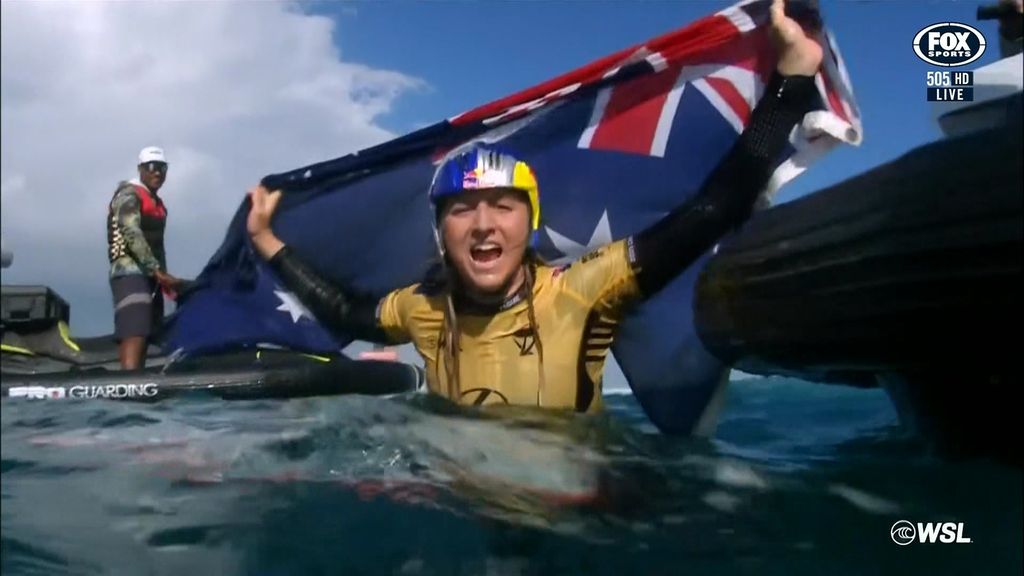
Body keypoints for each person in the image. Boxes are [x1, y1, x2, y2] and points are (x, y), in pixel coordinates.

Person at [246, 0, 823, 412]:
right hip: (467, 512)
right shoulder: (422, 308)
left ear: (532, 220)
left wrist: (790, 82)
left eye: (503, 206)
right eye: (461, 210)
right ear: (440, 231)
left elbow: (714, 209)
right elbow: (348, 313)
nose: (483, 225)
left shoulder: (583, 291)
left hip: (577, 518)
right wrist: (268, 241)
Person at [107, 146, 183, 370]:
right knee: (135, 327)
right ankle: (129, 384)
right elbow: (131, 233)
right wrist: (156, 270)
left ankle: (141, 380)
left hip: (151, 274)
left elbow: (158, 247)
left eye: (162, 168)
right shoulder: (128, 195)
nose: (157, 172)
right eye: (151, 167)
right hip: (129, 271)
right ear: (140, 169)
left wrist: (163, 277)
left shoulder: (158, 204)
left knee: (150, 331)